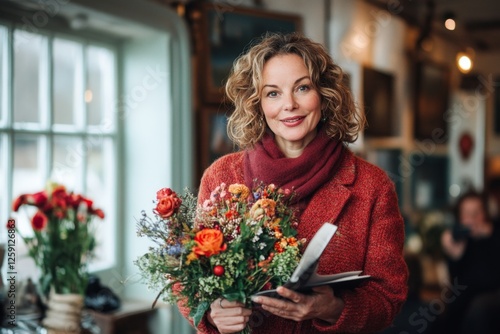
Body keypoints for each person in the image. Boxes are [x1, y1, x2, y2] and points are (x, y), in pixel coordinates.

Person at [178, 32, 408, 333]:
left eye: (302, 88)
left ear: (325, 95)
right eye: (273, 93)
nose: (289, 104)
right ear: (256, 102)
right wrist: (211, 312)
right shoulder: (221, 177)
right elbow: (189, 280)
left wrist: (333, 308)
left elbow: (388, 298)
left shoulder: (372, 186)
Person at [434, 190, 500, 334]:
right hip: (463, 302)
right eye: (467, 214)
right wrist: (455, 255)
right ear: (460, 217)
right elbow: (455, 282)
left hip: (491, 299)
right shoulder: (458, 239)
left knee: (479, 308)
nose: (472, 219)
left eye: (476, 213)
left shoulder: (496, 232)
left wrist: (487, 234)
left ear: (485, 213)